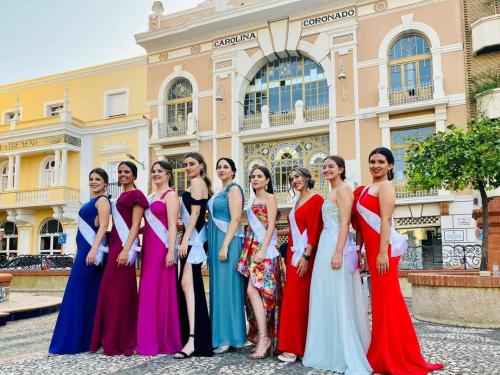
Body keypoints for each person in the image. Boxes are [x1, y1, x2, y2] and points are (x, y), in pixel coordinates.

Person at [352, 147, 444, 374]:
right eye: (372, 161)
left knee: (389, 303)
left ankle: (398, 355)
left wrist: (382, 252)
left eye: (381, 162)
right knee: (381, 305)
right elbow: (361, 225)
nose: (375, 165)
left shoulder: (386, 187)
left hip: (384, 253)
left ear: (390, 166)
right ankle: (382, 352)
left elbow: (385, 221)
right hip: (373, 252)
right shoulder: (364, 190)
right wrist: (360, 249)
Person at [302, 156, 372, 374]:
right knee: (325, 296)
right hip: (325, 245)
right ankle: (327, 350)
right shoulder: (330, 192)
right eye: (324, 167)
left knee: (339, 296)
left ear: (341, 169)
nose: (326, 170)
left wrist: (339, 252)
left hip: (336, 246)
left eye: (331, 166)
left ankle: (344, 352)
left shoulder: (343, 190)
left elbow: (344, 223)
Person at [49, 168, 111, 354]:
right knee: (81, 295)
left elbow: (104, 226)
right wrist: (78, 251)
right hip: (84, 251)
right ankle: (81, 340)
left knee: (78, 294)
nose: (93, 182)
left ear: (105, 183)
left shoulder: (102, 201)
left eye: (98, 179)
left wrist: (92, 250)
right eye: (91, 178)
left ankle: (76, 341)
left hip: (92, 253)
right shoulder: (89, 202)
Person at [90, 161, 148, 356]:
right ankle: (108, 338)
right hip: (113, 245)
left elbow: (134, 225)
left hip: (123, 249)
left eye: (127, 172)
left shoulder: (137, 195)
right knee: (108, 293)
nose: (122, 174)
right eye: (120, 172)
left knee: (121, 294)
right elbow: (100, 222)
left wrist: (125, 250)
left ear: (134, 175)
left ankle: (122, 339)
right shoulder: (116, 197)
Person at [237, 165, 284, 359]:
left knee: (258, 291)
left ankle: (265, 338)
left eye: (259, 176)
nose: (255, 179)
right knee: (252, 292)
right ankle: (261, 336)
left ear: (267, 180)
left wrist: (263, 250)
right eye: (253, 176)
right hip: (252, 248)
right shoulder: (251, 200)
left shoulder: (270, 198)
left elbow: (271, 225)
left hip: (264, 249)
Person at [136, 161, 182, 355]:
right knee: (147, 290)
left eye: (160, 171)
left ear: (169, 174)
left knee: (161, 291)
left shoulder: (170, 196)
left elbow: (172, 225)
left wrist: (171, 251)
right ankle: (147, 338)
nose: (156, 174)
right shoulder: (150, 196)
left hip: (163, 250)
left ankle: (164, 339)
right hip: (149, 249)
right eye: (153, 171)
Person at [277, 168, 323, 362]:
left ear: (306, 178)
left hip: (304, 256)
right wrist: (273, 233)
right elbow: (294, 228)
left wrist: (306, 256)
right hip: (293, 254)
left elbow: (314, 229)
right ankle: (294, 344)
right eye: (291, 179)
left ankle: (295, 347)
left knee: (297, 300)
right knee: (294, 299)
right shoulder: (297, 202)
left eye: (297, 177)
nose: (294, 181)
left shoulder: (316, 200)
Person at [174, 152, 213, 359]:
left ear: (201, 165)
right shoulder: (194, 184)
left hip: (195, 240)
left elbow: (197, 214)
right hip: (190, 238)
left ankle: (193, 340)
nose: (188, 167)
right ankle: (195, 337)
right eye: (185, 164)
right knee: (189, 286)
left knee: (189, 285)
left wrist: (184, 238)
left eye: (191, 164)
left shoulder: (198, 183)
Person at [207, 158, 246, 354]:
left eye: (226, 167)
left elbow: (237, 217)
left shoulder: (234, 189)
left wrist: (224, 245)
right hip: (216, 240)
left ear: (233, 171)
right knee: (218, 288)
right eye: (219, 167)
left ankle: (230, 337)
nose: (221, 170)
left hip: (227, 242)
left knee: (228, 288)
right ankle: (219, 334)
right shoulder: (218, 192)